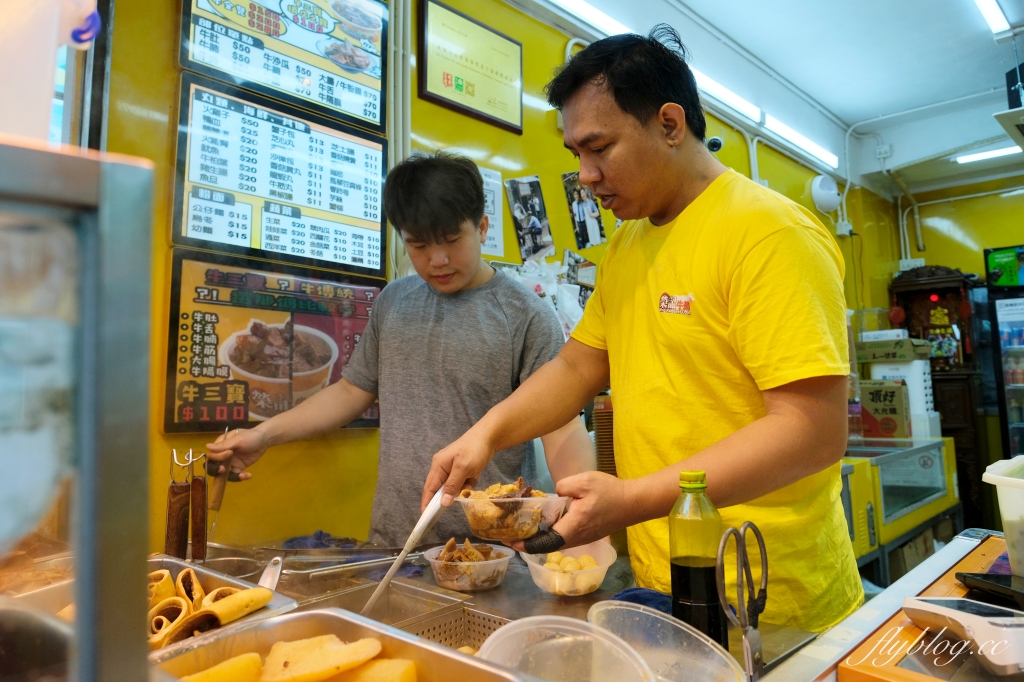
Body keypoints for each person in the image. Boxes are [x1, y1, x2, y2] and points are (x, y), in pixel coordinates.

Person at [422, 26, 861, 632]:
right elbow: (578, 368)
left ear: (671, 124)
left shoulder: (770, 235)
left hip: (770, 593)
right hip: (668, 583)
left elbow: (811, 431)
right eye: (576, 154)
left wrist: (633, 499)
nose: (587, 175)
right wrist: (486, 434)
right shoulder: (628, 244)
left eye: (599, 148)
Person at [207, 152, 595, 546]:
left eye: (451, 240)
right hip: (395, 544)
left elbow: (560, 424)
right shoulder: (394, 302)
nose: (437, 260)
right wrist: (263, 435)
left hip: (495, 550)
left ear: (481, 227)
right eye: (419, 245)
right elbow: (349, 392)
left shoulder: (525, 314)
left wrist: (579, 523)